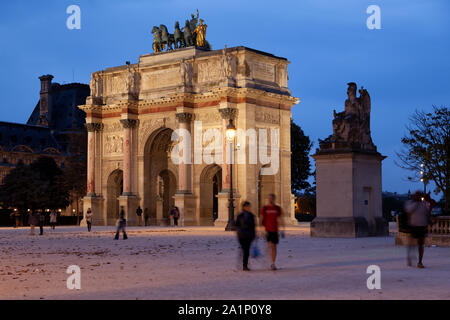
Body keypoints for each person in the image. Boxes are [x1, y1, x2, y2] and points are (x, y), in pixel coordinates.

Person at [404, 191, 432, 268]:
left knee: (421, 244)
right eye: (417, 195)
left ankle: (420, 262)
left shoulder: (424, 204)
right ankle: (409, 256)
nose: (419, 197)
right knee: (411, 244)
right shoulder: (410, 203)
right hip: (413, 226)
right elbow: (409, 211)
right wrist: (416, 203)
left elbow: (427, 213)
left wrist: (429, 222)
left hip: (422, 226)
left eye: (420, 195)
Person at [260, 194, 284, 270]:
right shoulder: (265, 208)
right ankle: (270, 261)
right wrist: (261, 230)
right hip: (267, 230)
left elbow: (281, 219)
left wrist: (282, 229)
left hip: (275, 230)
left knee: (274, 247)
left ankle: (273, 263)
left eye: (272, 198)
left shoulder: (277, 208)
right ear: (268, 199)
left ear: (274, 199)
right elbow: (261, 219)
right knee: (271, 246)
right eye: (269, 198)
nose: (270, 199)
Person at [235, 201, 256, 271]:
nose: (248, 208)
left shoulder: (251, 215)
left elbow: (253, 226)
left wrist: (254, 235)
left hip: (248, 235)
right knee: (245, 250)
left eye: (249, 206)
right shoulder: (240, 216)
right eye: (247, 206)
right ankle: (245, 265)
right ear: (244, 207)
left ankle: (245, 265)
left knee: (246, 250)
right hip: (242, 235)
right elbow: (237, 225)